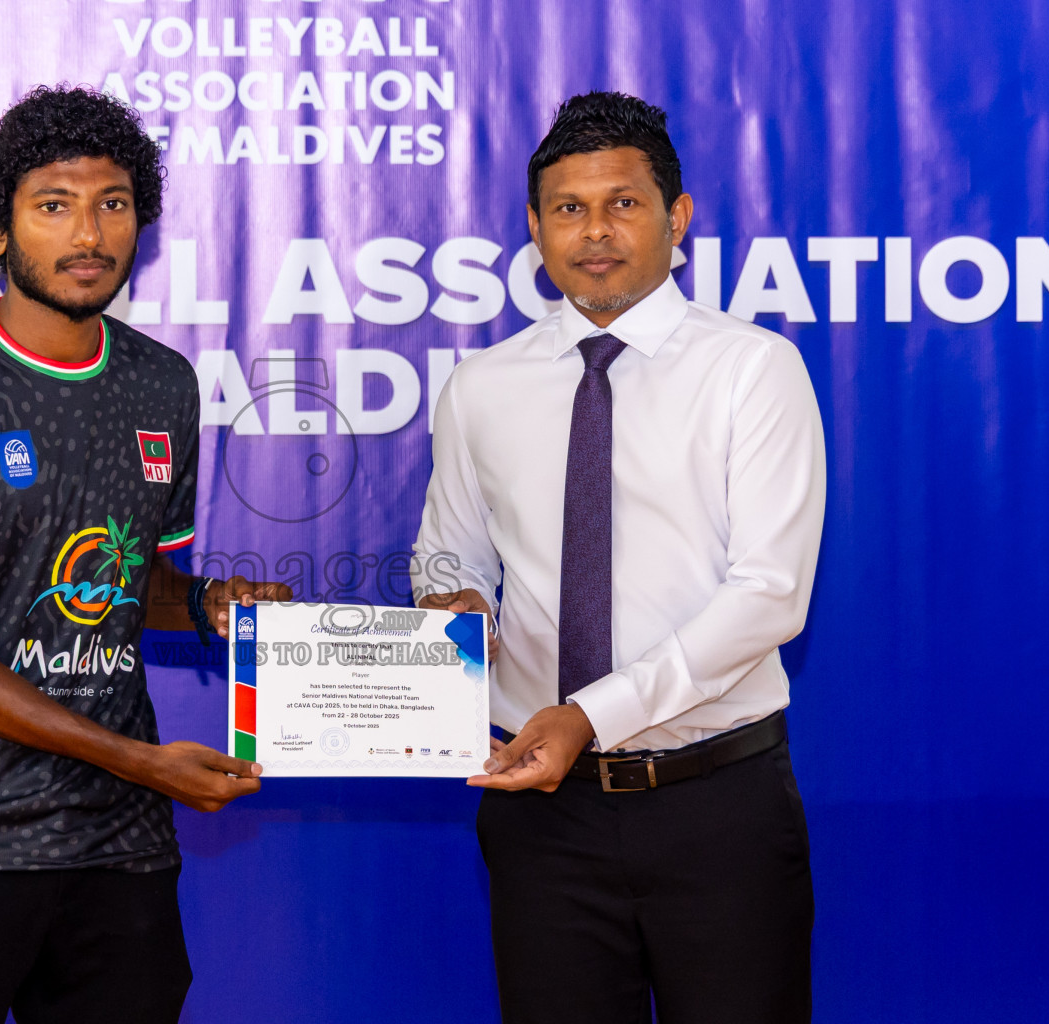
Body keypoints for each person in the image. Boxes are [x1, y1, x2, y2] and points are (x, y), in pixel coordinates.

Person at [0, 85, 289, 1024]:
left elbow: (133, 587)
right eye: (54, 205)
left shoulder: (162, 384)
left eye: (113, 203)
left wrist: (211, 604)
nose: (89, 233)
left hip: (114, 847)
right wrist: (139, 759)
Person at [413, 91, 825, 1022]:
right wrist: (455, 620)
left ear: (677, 218)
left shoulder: (751, 370)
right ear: (535, 227)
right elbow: (450, 559)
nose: (594, 231)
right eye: (568, 209)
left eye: (624, 204)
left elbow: (769, 596)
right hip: (539, 815)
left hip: (714, 806)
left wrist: (588, 716)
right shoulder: (483, 387)